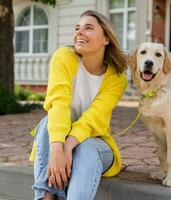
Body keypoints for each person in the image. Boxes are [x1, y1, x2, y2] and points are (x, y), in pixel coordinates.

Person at [28, 10, 128, 200]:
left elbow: (93, 118)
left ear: (106, 38)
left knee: (85, 146)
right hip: (58, 139)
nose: (79, 33)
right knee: (49, 121)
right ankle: (47, 196)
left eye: (88, 28)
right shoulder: (63, 57)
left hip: (97, 145)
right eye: (77, 28)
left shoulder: (117, 78)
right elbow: (59, 104)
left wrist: (67, 148)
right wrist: (57, 150)